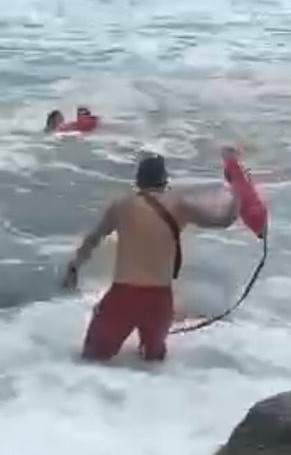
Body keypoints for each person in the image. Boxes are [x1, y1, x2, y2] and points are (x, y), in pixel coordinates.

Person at [62, 148, 241, 362]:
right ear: (164, 182)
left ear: (138, 181)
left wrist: (74, 266)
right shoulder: (179, 206)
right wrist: (239, 191)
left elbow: (93, 239)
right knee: (153, 366)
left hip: (123, 297)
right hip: (160, 300)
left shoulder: (122, 206)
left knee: (91, 360)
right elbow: (224, 220)